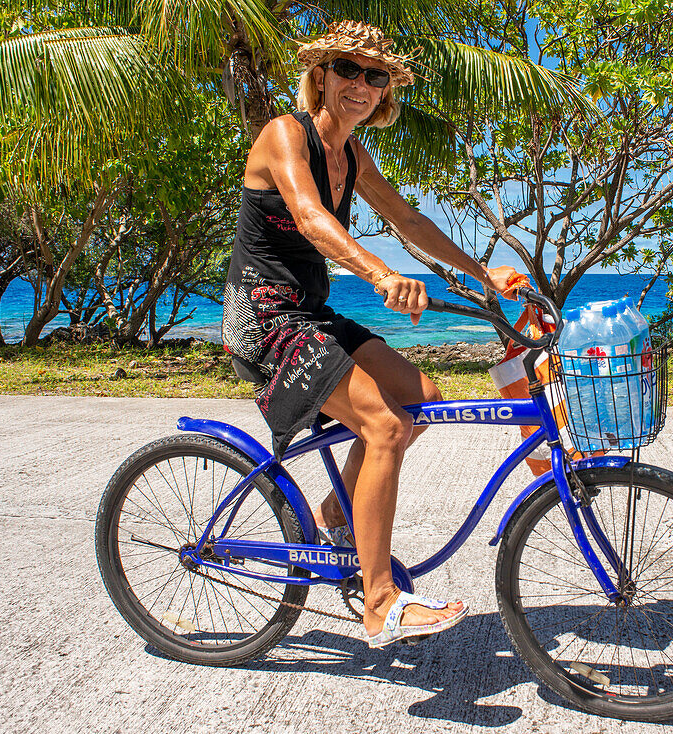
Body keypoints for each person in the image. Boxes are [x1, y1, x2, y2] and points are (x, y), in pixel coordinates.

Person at [221, 20, 522, 647]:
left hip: (311, 312)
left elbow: (408, 219)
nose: (361, 84)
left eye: (375, 75)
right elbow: (307, 216)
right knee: (383, 425)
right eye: (348, 70)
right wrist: (382, 274)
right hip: (264, 317)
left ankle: (339, 512)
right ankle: (380, 603)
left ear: (385, 92)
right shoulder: (285, 134)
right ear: (322, 76)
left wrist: (483, 274)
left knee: (422, 400)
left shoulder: (354, 155)